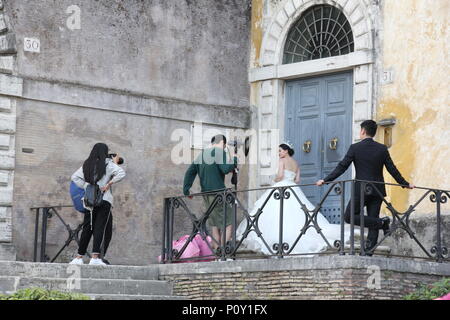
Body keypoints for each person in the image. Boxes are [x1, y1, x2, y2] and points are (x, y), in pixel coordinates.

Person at [316, 120, 414, 255]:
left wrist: (326, 180)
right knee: (372, 217)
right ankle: (368, 251)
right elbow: (392, 169)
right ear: (374, 133)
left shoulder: (355, 148)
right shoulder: (382, 148)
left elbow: (342, 166)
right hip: (378, 189)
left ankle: (380, 224)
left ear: (363, 131)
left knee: (349, 216)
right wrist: (405, 184)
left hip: (361, 189)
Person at [235, 143, 348, 255]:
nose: (278, 153)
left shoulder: (282, 161)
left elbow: (279, 176)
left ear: (286, 151)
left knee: (275, 213)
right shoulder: (296, 163)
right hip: (293, 188)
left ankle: (278, 240)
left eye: (280, 151)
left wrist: (274, 179)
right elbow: (297, 180)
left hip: (282, 187)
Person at [69, 143, 126, 265]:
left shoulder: (87, 165)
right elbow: (121, 173)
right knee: (100, 227)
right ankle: (95, 258)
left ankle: (78, 258)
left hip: (89, 200)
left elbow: (74, 177)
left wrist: (87, 186)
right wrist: (108, 184)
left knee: (87, 228)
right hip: (104, 200)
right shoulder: (107, 164)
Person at [183, 134, 238, 251]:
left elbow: (189, 172)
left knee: (214, 224)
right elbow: (225, 169)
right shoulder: (219, 152)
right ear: (222, 142)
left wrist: (186, 190)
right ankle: (222, 252)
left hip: (206, 194)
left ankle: (217, 252)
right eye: (224, 145)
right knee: (229, 222)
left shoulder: (201, 154)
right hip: (218, 193)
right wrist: (234, 159)